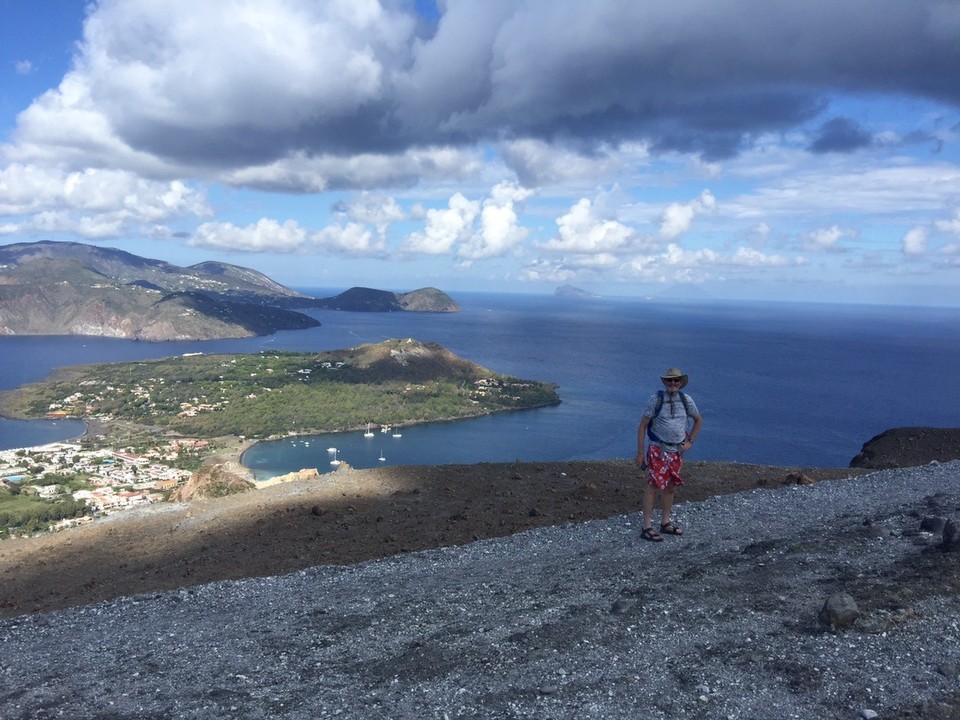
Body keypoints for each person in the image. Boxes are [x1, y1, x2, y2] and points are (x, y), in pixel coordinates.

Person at [634, 367, 703, 542]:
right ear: (665, 382)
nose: (673, 383)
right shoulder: (656, 400)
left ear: (680, 382)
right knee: (654, 485)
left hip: (677, 451)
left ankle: (665, 522)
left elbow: (698, 420)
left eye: (676, 380)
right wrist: (640, 453)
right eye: (670, 380)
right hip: (658, 449)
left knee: (671, 486)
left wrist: (690, 442)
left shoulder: (686, 400)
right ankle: (647, 526)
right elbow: (642, 425)